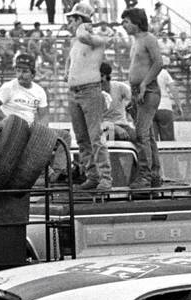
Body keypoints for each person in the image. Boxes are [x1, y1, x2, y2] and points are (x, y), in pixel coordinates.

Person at [65, 1, 113, 191]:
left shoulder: (95, 38)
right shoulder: (75, 41)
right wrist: (68, 72)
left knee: (95, 137)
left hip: (90, 90)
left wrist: (84, 24)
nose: (69, 24)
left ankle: (105, 178)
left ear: (79, 20)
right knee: (82, 138)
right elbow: (72, 59)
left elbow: (83, 36)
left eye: (72, 20)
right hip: (75, 92)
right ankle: (92, 175)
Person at [122, 6, 164, 189]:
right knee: (147, 135)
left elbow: (159, 62)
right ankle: (154, 174)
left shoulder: (149, 39)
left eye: (126, 22)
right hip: (137, 90)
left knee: (141, 134)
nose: (123, 25)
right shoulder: (135, 41)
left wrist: (145, 83)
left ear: (136, 22)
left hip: (148, 90)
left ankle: (145, 175)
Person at [0, 53, 49, 124]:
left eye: (25, 71)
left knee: (62, 134)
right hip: (9, 129)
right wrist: (7, 121)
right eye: (18, 71)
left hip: (28, 129)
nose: (20, 75)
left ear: (33, 74)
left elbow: (44, 116)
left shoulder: (39, 91)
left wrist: (42, 131)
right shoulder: (9, 87)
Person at [100, 61, 135, 141]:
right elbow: (96, 121)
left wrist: (129, 108)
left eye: (102, 76)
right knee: (108, 143)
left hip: (122, 124)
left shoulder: (119, 87)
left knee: (139, 140)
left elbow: (134, 98)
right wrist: (115, 128)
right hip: (105, 127)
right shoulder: (94, 93)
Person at [154, 63, 177, 141]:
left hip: (150, 108)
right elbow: (173, 89)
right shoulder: (164, 72)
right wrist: (179, 105)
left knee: (153, 141)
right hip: (164, 105)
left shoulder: (144, 72)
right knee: (168, 139)